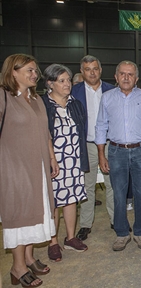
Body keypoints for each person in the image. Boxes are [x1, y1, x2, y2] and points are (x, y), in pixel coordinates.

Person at [0, 54, 59, 287]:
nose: (35, 74)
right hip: (14, 168)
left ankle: (29, 257)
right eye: (30, 70)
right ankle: (17, 267)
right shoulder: (4, 97)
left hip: (39, 166)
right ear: (13, 72)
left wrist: (52, 158)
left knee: (37, 211)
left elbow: (45, 132)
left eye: (36, 71)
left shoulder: (35, 98)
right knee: (20, 215)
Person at [95, 60, 141, 251]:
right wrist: (101, 155)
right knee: (119, 194)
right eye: (122, 73)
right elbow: (101, 126)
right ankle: (121, 233)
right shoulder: (106, 98)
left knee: (140, 194)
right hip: (115, 152)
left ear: (136, 78)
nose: (126, 77)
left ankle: (140, 232)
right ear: (116, 76)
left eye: (130, 74)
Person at [41, 64, 89, 262]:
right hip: (54, 162)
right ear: (50, 83)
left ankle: (70, 238)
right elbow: (43, 135)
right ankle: (53, 242)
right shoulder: (43, 105)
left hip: (74, 160)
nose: (67, 84)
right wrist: (51, 159)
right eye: (62, 81)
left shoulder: (75, 104)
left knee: (71, 199)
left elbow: (82, 130)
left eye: (68, 80)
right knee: (53, 203)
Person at [71, 55, 115, 241]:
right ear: (82, 71)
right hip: (87, 145)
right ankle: (85, 225)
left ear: (100, 70)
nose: (92, 72)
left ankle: (116, 220)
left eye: (95, 68)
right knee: (87, 186)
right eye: (88, 69)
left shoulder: (112, 90)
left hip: (109, 144)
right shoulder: (74, 92)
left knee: (113, 184)